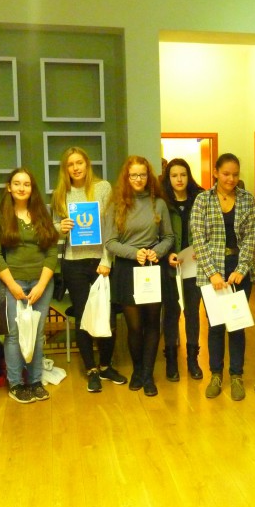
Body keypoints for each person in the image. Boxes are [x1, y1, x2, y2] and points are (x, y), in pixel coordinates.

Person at [51, 147, 127, 393]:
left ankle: (106, 365)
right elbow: (53, 228)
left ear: (87, 164)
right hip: (73, 262)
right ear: (65, 169)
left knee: (106, 314)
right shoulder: (60, 194)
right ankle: (91, 369)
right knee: (83, 316)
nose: (75, 168)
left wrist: (107, 260)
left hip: (100, 262)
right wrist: (60, 228)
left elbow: (111, 227)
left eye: (79, 162)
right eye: (70, 164)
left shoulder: (103, 188)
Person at [190, 153, 255, 400]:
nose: (231, 179)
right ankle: (216, 374)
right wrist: (213, 274)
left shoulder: (247, 199)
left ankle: (237, 375)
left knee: (237, 324)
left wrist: (242, 268)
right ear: (216, 173)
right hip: (212, 269)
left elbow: (251, 236)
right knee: (216, 325)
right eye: (226, 174)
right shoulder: (202, 200)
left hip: (239, 269)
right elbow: (198, 239)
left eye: (235, 174)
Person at [0, 168, 59, 404]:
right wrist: (12, 286)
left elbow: (52, 252)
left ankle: (36, 381)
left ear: (32, 188)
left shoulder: (42, 213)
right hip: (12, 282)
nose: (21, 188)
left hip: (41, 283)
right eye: (17, 183)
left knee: (37, 334)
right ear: (9, 187)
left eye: (26, 184)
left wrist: (42, 285)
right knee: (14, 335)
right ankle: (16, 384)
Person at [105, 156, 173, 397]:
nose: (138, 179)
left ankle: (147, 374)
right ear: (127, 177)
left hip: (153, 268)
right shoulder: (116, 205)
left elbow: (169, 237)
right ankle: (137, 370)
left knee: (153, 324)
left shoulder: (159, 204)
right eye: (133, 175)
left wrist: (157, 252)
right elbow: (110, 242)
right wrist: (135, 253)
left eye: (142, 174)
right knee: (134, 327)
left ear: (149, 176)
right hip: (127, 269)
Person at [162, 158, 204, 381]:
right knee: (171, 312)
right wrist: (167, 253)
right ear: (168, 178)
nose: (179, 179)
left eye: (183, 174)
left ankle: (193, 359)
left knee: (192, 312)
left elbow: (210, 229)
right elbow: (157, 233)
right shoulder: (162, 201)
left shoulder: (200, 198)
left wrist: (202, 249)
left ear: (189, 176)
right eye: (174, 175)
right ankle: (171, 360)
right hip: (170, 264)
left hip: (194, 265)